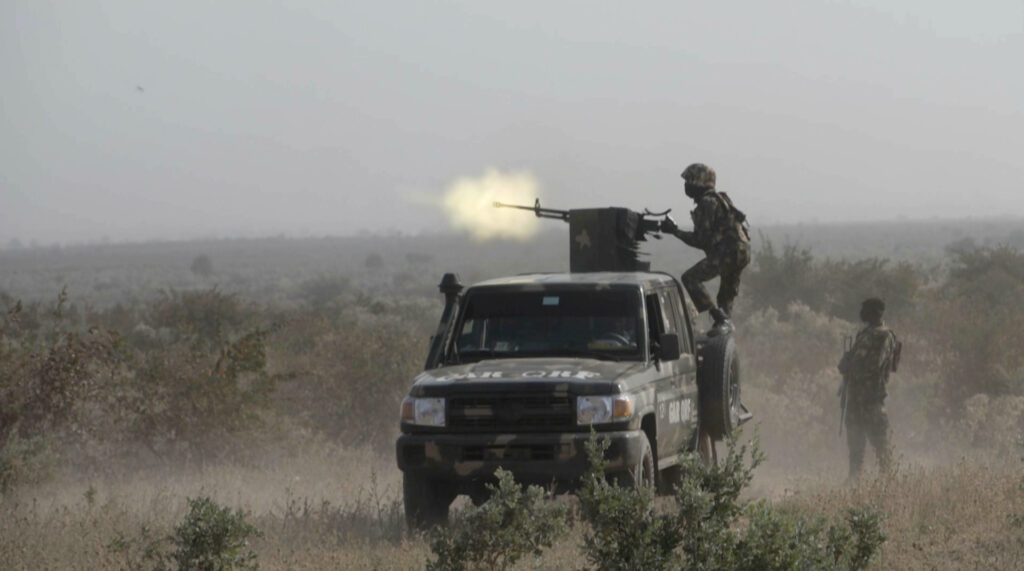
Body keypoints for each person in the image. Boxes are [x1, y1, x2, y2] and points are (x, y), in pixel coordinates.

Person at [661, 163, 750, 319]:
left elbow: (700, 240)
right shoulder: (720, 199)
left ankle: (718, 317)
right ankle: (724, 324)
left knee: (690, 278)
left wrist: (674, 231)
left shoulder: (707, 203)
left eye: (689, 181)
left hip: (728, 253)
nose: (686, 186)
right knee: (725, 297)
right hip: (741, 252)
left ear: (699, 182)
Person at [838, 297, 900, 479]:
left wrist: (853, 366)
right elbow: (849, 360)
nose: (862, 313)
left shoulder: (885, 336)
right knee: (855, 447)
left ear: (875, 312)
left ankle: (889, 483)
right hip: (856, 398)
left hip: (872, 399)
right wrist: (846, 364)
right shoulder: (864, 334)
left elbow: (874, 364)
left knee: (881, 446)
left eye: (866, 310)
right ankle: (854, 481)